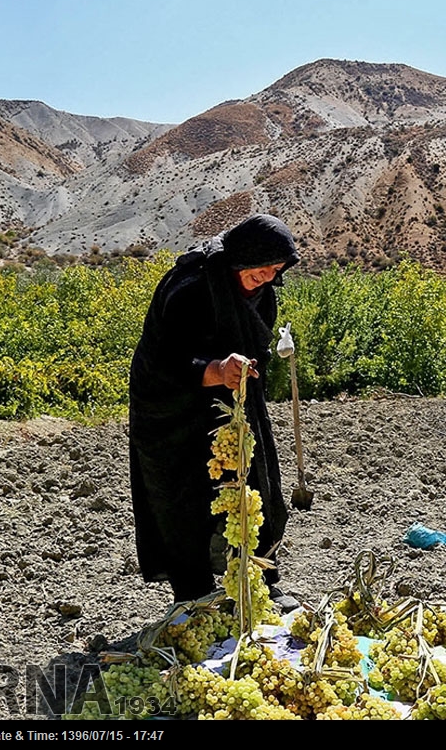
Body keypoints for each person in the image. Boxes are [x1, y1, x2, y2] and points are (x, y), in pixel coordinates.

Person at [128, 213, 301, 611]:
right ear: (238, 262)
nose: (268, 282)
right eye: (260, 274)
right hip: (172, 409)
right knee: (183, 501)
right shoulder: (189, 289)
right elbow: (164, 361)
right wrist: (215, 370)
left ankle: (259, 580)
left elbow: (255, 344)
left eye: (275, 274)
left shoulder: (261, 292)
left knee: (254, 484)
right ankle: (194, 595)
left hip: (232, 403)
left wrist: (250, 369)